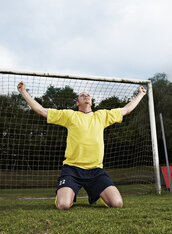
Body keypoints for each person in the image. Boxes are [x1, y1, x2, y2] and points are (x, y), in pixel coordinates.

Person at [17, 81, 146, 210]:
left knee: (117, 203)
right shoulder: (70, 115)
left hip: (96, 171)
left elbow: (126, 109)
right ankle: (69, 194)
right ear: (77, 103)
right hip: (72, 170)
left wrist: (140, 94)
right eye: (82, 95)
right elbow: (42, 111)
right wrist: (23, 92)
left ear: (91, 101)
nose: (86, 95)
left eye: (88, 94)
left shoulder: (101, 116)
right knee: (63, 205)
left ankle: (94, 194)